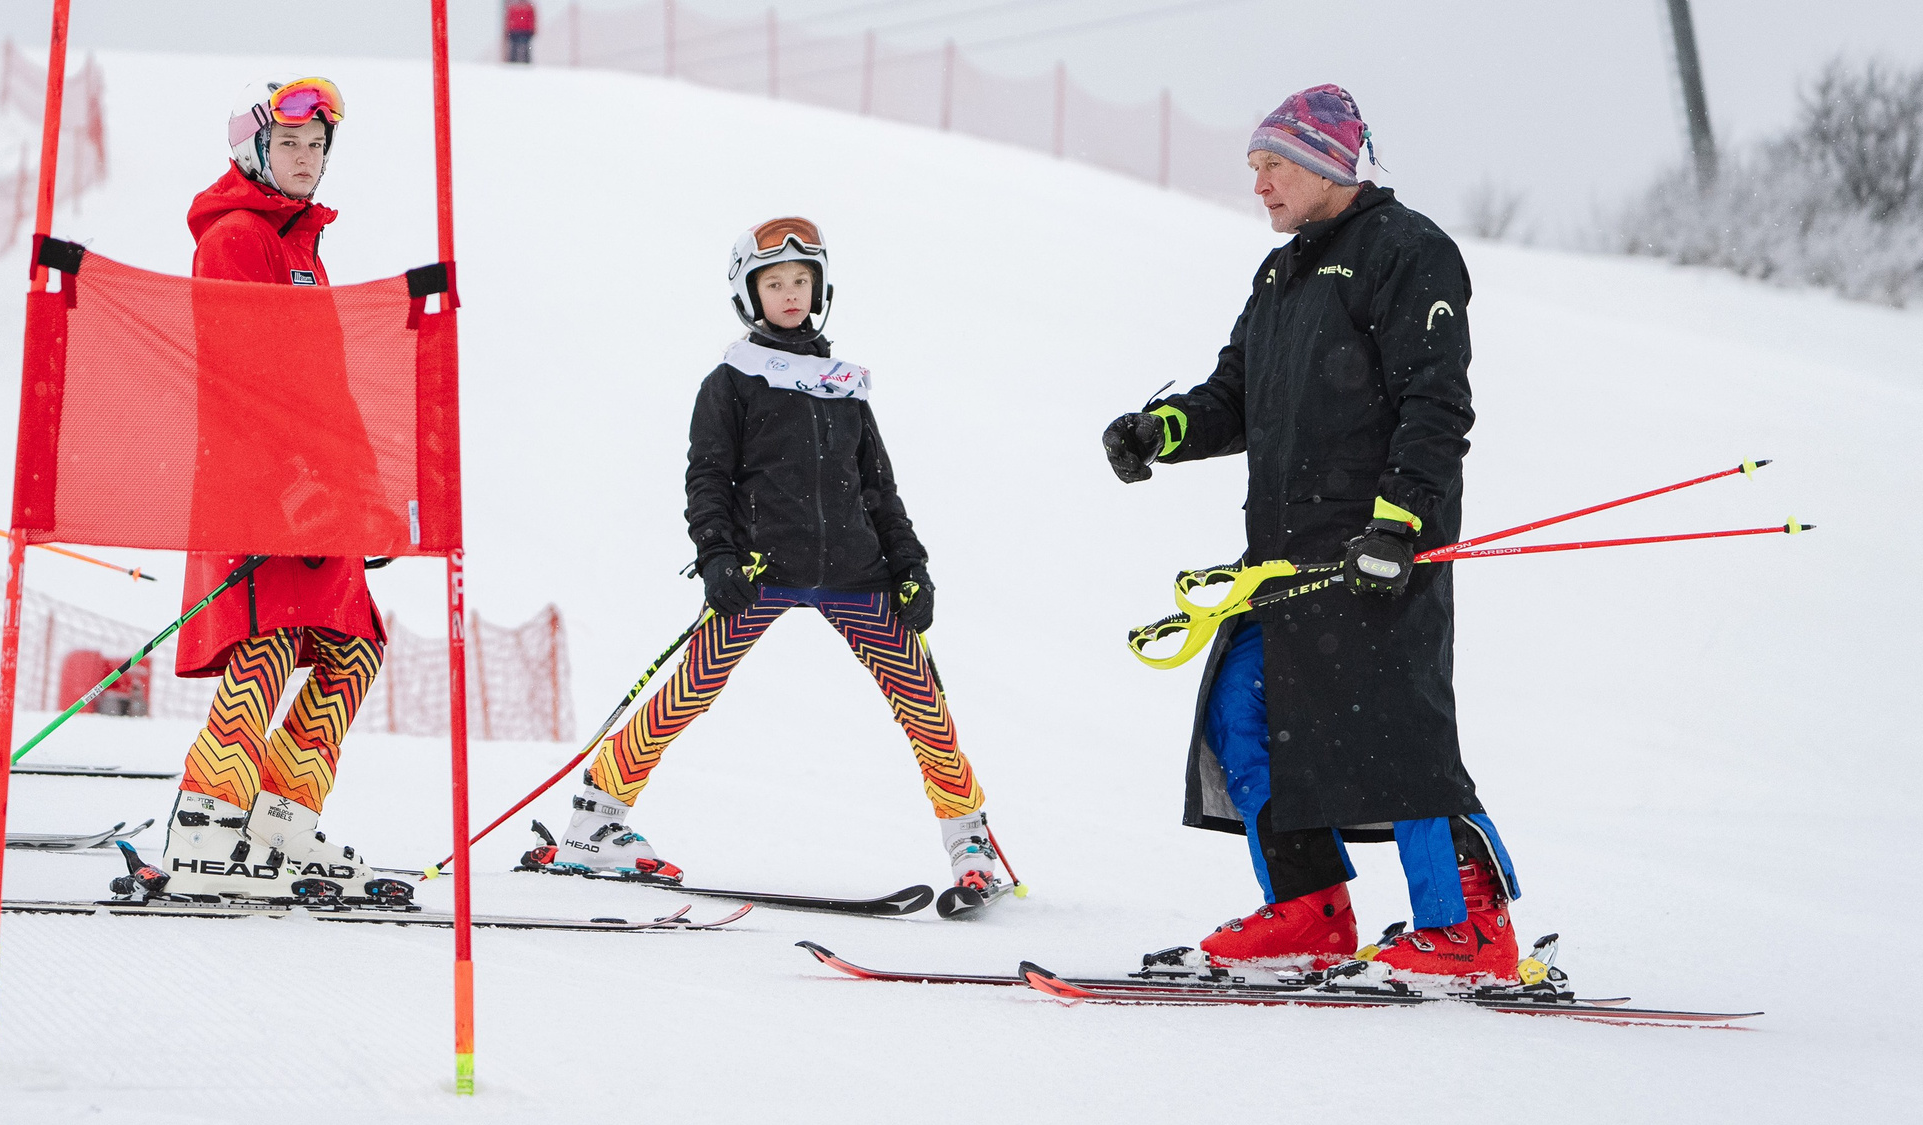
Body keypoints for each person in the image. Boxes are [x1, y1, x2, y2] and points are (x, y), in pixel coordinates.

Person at [1102, 84, 1520, 982]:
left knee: (1397, 736)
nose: (1259, 184)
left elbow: (1435, 403)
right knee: (1243, 714)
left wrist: (1398, 523)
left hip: (1378, 550)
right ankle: (1308, 911)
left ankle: (1468, 929)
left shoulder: (1410, 252)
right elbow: (1233, 396)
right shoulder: (1282, 272)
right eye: (1254, 168)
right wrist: (1158, 430)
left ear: (1330, 163)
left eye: (1274, 165)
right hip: (1284, 556)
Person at [526, 217, 1015, 910]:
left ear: (820, 290)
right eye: (775, 282)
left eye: (802, 281)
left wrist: (911, 565)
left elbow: (878, 486)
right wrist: (718, 558)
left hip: (857, 573)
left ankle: (971, 842)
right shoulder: (732, 380)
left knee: (921, 703)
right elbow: (708, 480)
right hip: (759, 570)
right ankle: (594, 821)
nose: (791, 293)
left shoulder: (845, 384)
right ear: (749, 294)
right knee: (688, 689)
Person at [150, 78, 394, 899]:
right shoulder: (237, 238)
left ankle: (279, 819)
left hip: (322, 485)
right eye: (289, 145)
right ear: (254, 152)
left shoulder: (301, 244)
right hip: (262, 480)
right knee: (275, 636)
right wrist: (292, 487)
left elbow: (328, 387)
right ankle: (208, 817)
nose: (306, 159)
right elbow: (235, 377)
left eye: (316, 146)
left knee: (352, 646)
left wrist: (367, 495)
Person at [503, 0, 537, 65]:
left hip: (525, 31)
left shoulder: (528, 3)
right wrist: (507, 29)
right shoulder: (512, 3)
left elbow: (532, 18)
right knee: (513, 49)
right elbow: (508, 17)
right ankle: (512, 65)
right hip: (514, 30)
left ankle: (526, 64)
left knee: (526, 49)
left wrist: (532, 29)